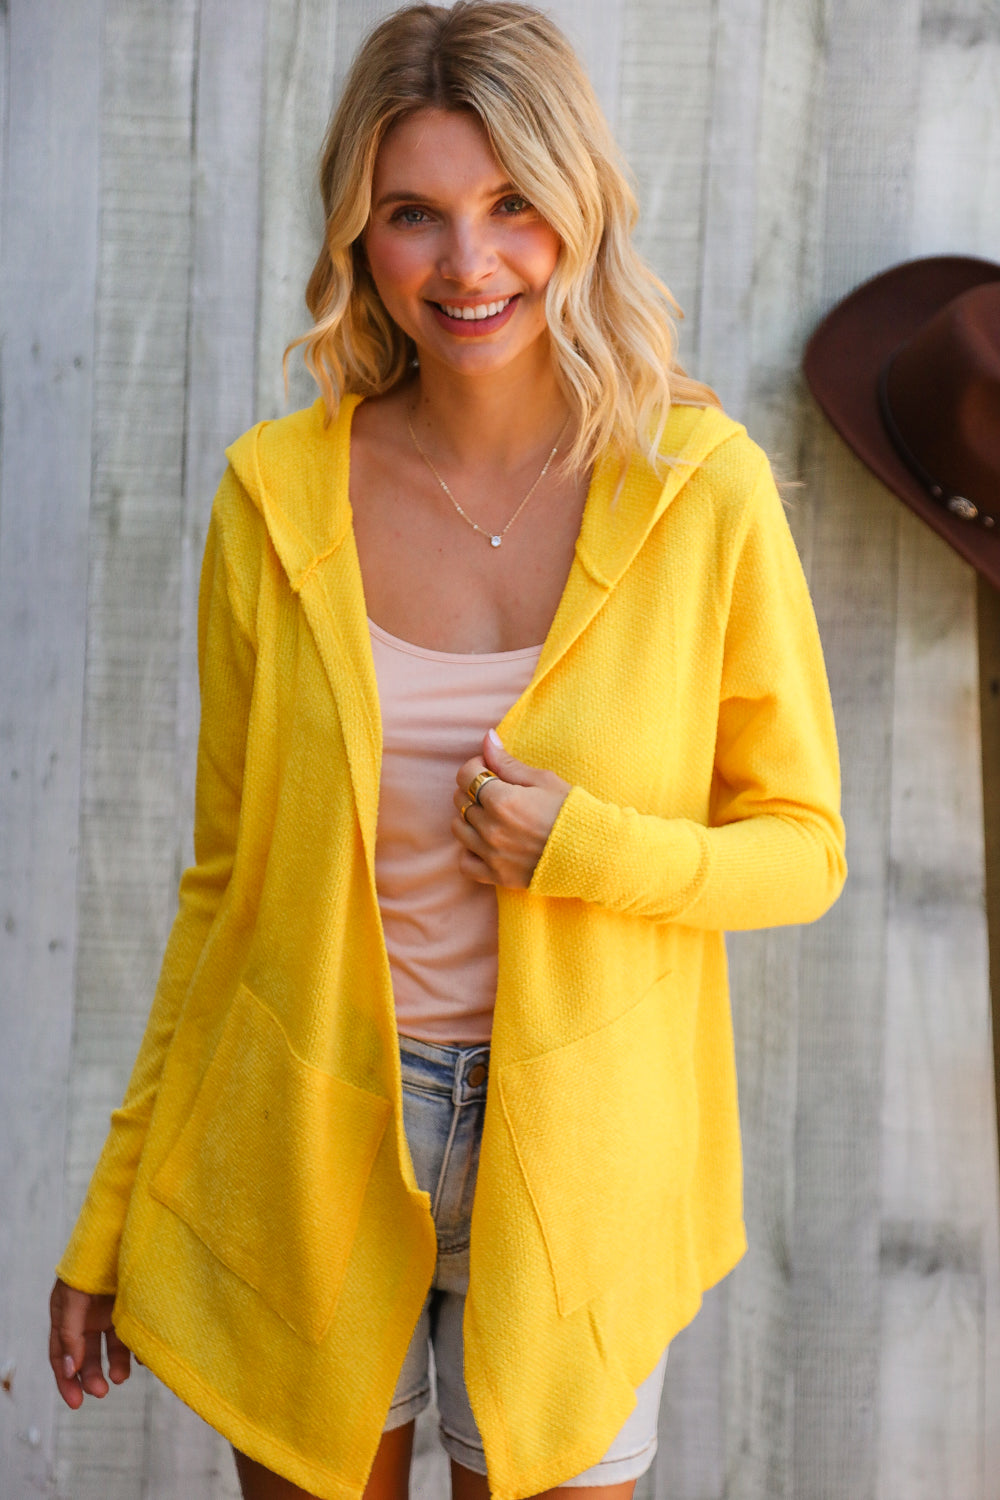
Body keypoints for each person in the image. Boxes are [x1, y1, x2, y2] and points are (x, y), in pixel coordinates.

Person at [48, 5, 846, 1498]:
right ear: (359, 232)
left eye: (513, 206)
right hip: (302, 1143)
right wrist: (110, 1213)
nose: (469, 265)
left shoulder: (701, 492)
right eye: (415, 214)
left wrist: (589, 846)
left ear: (579, 209)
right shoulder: (275, 498)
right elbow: (221, 891)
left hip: (583, 1162)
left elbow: (804, 849)